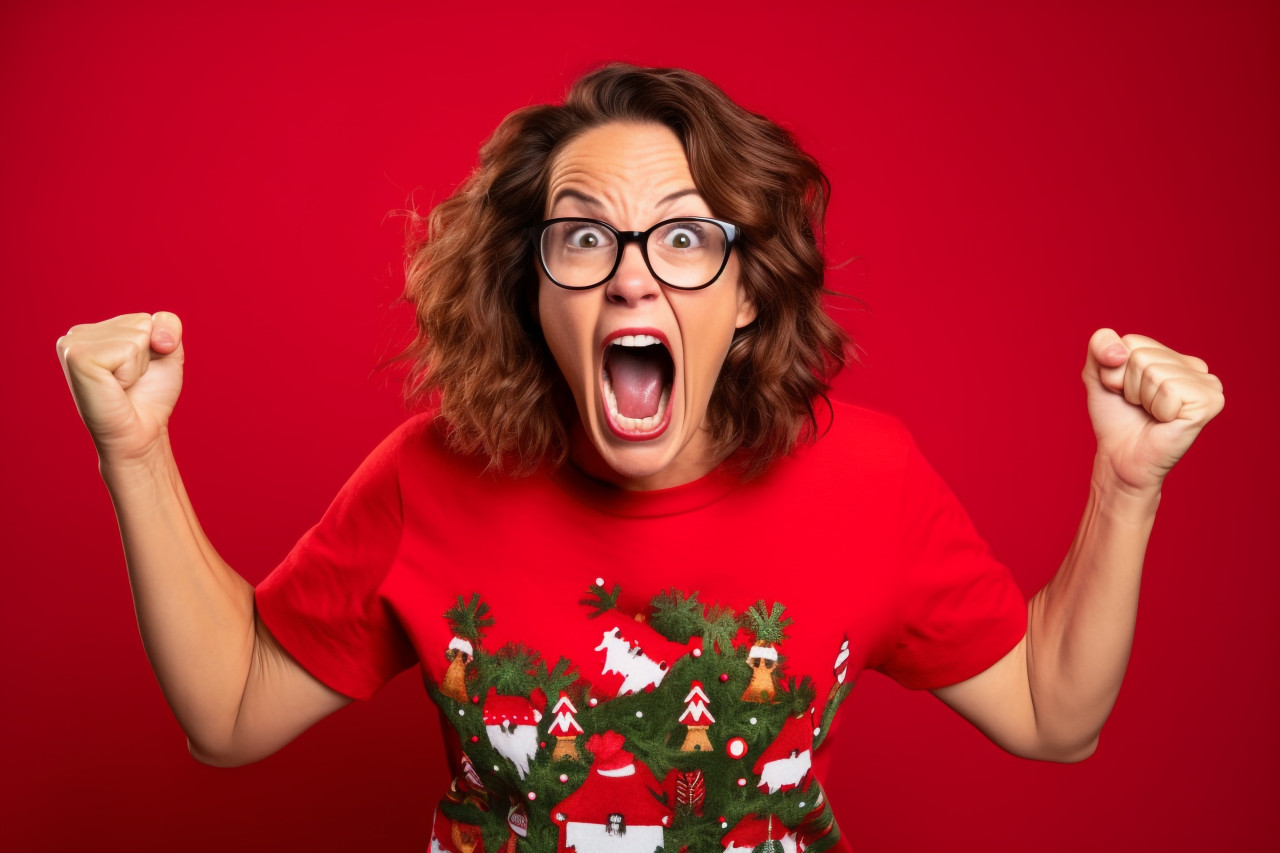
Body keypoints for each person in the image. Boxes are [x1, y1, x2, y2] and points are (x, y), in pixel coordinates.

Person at [56, 65, 1223, 851]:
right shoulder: (426, 477)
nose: (630, 274)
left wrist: (1126, 487)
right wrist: (136, 450)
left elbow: (1049, 714)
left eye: (680, 236)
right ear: (533, 286)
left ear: (748, 294)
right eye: (582, 237)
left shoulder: (869, 478)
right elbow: (228, 710)